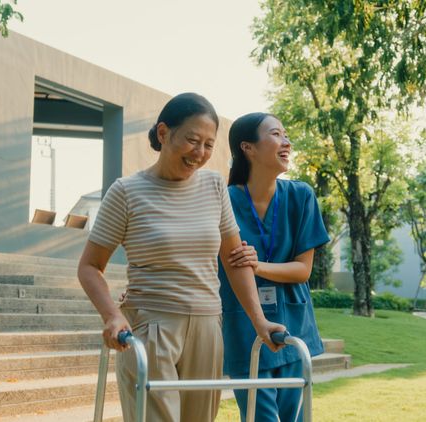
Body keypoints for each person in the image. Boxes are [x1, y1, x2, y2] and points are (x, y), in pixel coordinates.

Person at [77, 94, 286, 422]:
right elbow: (90, 266)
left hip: (208, 325)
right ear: (163, 133)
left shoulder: (215, 186)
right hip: (153, 326)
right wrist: (112, 316)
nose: (199, 153)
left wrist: (259, 321)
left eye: (208, 144)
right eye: (192, 140)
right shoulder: (127, 192)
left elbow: (234, 259)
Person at [219, 112, 329, 422]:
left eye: (285, 135)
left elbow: (302, 270)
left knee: (290, 417)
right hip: (243, 326)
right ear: (248, 148)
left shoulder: (301, 196)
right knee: (260, 418)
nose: (287, 142)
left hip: (294, 323)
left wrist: (257, 265)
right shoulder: (224, 200)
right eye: (276, 134)